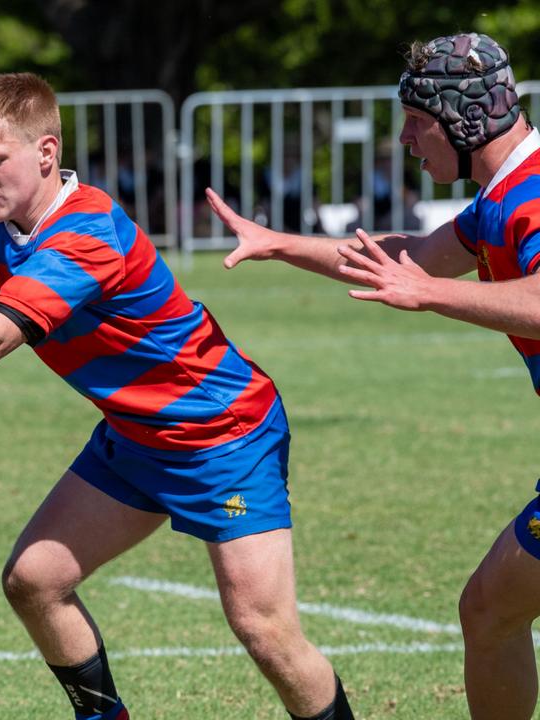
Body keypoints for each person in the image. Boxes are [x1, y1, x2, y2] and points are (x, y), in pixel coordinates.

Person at [0, 73, 352, 719]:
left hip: (223, 434)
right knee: (35, 582)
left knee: (265, 631)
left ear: (46, 153)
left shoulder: (88, 234)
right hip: (135, 436)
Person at [209, 33, 540, 720]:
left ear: (464, 118)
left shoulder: (533, 194)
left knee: (489, 611)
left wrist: (430, 295)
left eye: (418, 122)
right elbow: (409, 257)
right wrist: (278, 243)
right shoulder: (501, 199)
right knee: (489, 611)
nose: (407, 139)